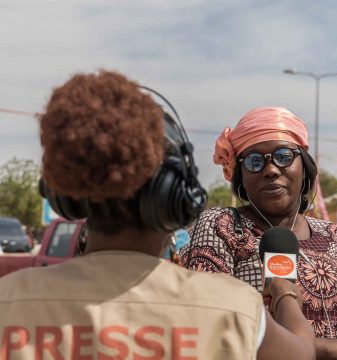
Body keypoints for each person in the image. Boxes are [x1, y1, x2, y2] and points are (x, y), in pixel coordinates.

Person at [0, 71, 316, 360]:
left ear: (64, 195)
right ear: (176, 194)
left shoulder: (8, 301)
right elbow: (301, 352)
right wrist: (283, 290)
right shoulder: (232, 308)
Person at [180, 107, 337, 360]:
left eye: (283, 156)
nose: (270, 169)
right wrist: (323, 349)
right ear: (241, 176)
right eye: (255, 161)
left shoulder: (336, 236)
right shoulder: (221, 225)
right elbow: (208, 323)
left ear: (305, 166)